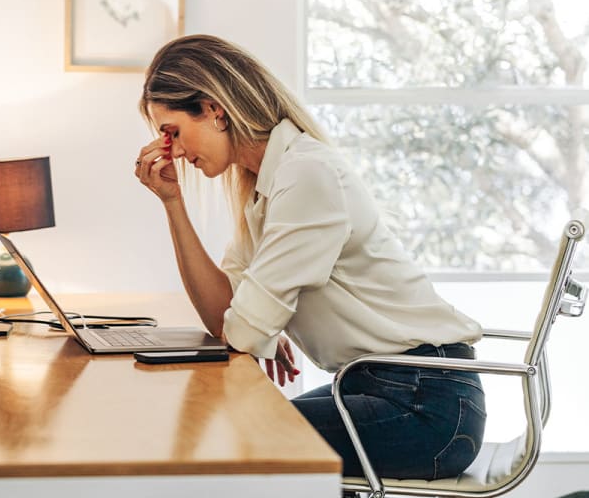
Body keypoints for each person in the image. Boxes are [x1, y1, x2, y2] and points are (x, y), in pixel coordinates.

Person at [133, 34, 485, 480]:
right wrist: (172, 203)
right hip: (379, 386)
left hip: (425, 402)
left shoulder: (306, 174)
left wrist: (254, 322)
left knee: (240, 439)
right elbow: (226, 319)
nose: (176, 153)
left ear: (213, 109)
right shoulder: (268, 185)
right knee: (240, 427)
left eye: (174, 133)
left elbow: (241, 331)